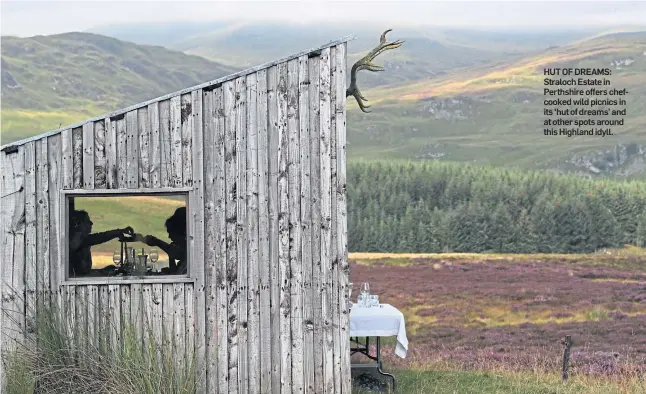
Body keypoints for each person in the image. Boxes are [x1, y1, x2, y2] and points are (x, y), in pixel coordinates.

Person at [68, 209, 134, 277]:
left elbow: (84, 273)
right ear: (79, 224)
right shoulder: (76, 241)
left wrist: (102, 271)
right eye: (87, 221)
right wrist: (119, 232)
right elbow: (80, 275)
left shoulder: (82, 240)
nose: (91, 223)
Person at [137, 207, 187, 275]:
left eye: (171, 233)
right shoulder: (185, 256)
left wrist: (158, 242)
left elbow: (178, 275)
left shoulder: (189, 260)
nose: (169, 237)